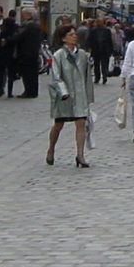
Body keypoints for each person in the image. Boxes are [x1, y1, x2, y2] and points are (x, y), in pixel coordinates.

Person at [46, 23, 95, 167]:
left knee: (81, 123)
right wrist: (63, 91)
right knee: (58, 124)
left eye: (75, 34)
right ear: (63, 39)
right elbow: (56, 76)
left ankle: (80, 155)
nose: (74, 37)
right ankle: (51, 149)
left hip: (79, 94)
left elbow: (87, 76)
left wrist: (88, 95)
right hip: (64, 96)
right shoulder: (59, 55)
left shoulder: (82, 55)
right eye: (70, 35)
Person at [15, 8, 45, 99]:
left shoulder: (29, 25)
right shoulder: (37, 24)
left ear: (29, 14)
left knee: (27, 73)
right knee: (33, 73)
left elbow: (20, 36)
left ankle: (28, 91)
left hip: (26, 51)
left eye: (23, 14)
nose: (22, 16)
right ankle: (33, 91)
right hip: (34, 51)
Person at [0, 9, 21, 96]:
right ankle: (9, 91)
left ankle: (0, 89)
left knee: (1, 73)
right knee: (11, 74)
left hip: (2, 55)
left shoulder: (3, 32)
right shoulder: (15, 31)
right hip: (12, 56)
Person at [87, 15, 115, 85]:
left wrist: (111, 50)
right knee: (96, 65)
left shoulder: (107, 31)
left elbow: (109, 41)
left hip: (105, 50)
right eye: (98, 21)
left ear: (103, 22)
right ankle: (97, 78)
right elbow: (89, 40)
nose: (99, 23)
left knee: (104, 65)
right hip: (96, 50)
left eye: (101, 21)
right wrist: (90, 48)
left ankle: (104, 77)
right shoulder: (93, 31)